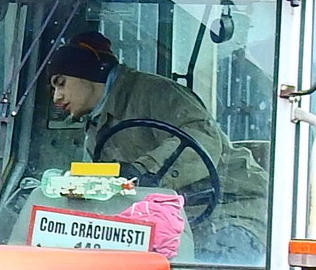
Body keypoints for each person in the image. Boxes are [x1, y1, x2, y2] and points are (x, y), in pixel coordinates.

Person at [40, 38, 267, 258]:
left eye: (61, 83)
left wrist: (143, 171)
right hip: (175, 218)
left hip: (232, 210)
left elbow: (201, 137)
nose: (57, 98)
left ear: (87, 73)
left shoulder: (155, 92)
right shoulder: (96, 125)